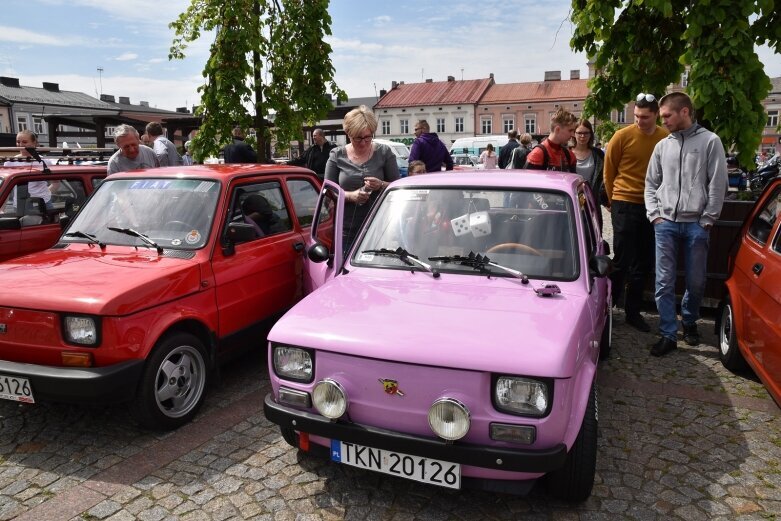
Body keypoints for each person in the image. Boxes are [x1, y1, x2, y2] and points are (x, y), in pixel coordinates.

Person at [645, 92, 727, 356]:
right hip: (665, 223)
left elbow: (717, 184)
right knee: (664, 282)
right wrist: (655, 216)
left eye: (667, 115)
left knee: (696, 282)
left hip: (696, 225)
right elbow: (650, 184)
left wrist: (708, 219)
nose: (663, 120)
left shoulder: (710, 142)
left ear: (684, 112)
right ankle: (668, 332)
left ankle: (689, 321)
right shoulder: (662, 145)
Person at [604, 93, 668, 332]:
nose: (640, 121)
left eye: (645, 117)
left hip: (652, 205)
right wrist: (613, 201)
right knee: (621, 259)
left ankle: (633, 311)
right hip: (624, 201)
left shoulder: (665, 137)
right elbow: (609, 171)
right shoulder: (621, 136)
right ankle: (608, 308)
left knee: (644, 260)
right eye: (637, 116)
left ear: (655, 116)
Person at [324, 105, 400, 251]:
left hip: (380, 227)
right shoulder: (337, 155)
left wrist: (381, 185)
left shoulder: (384, 153)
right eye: (358, 138)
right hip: (346, 228)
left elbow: (397, 187)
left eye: (368, 137)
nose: (364, 142)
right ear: (348, 134)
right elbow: (328, 191)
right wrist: (351, 196)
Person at [2, 130, 53, 210]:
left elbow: (56, 184)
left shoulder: (44, 161)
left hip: (42, 205)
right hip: (20, 205)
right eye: (18, 142)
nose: (20, 145)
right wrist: (1, 209)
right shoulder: (10, 162)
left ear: (34, 143)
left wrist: (44, 195)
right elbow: (6, 189)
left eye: (24, 142)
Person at [523, 107, 578, 172]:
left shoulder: (569, 155)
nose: (573, 135)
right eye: (570, 130)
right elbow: (528, 180)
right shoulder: (537, 154)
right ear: (557, 129)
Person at [572, 119, 606, 198]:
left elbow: (603, 179)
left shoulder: (598, 154)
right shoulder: (567, 153)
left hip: (592, 200)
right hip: (571, 199)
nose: (583, 136)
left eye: (586, 133)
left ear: (590, 134)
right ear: (574, 134)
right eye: (579, 133)